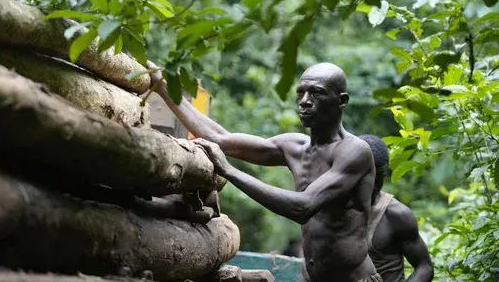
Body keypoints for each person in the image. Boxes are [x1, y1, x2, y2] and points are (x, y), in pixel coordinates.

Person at [147, 61, 381, 282]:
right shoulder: (294, 146)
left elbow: (303, 207)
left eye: (317, 93)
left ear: (342, 101)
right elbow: (219, 138)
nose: (305, 101)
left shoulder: (354, 152)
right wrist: (162, 87)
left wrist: (228, 170)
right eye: (300, 92)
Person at [358, 135, 434, 282]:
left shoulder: (396, 215)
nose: (375, 184)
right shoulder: (333, 209)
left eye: (380, 175)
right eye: (367, 176)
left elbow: (424, 267)